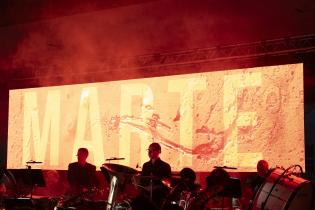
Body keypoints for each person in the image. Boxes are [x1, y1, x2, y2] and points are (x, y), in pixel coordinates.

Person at [132, 142, 171, 209]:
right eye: (149, 150)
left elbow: (167, 183)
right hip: (146, 193)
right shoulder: (145, 165)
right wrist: (138, 182)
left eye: (153, 150)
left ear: (159, 151)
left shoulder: (165, 166)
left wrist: (155, 187)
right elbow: (143, 180)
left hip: (158, 194)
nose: (150, 152)